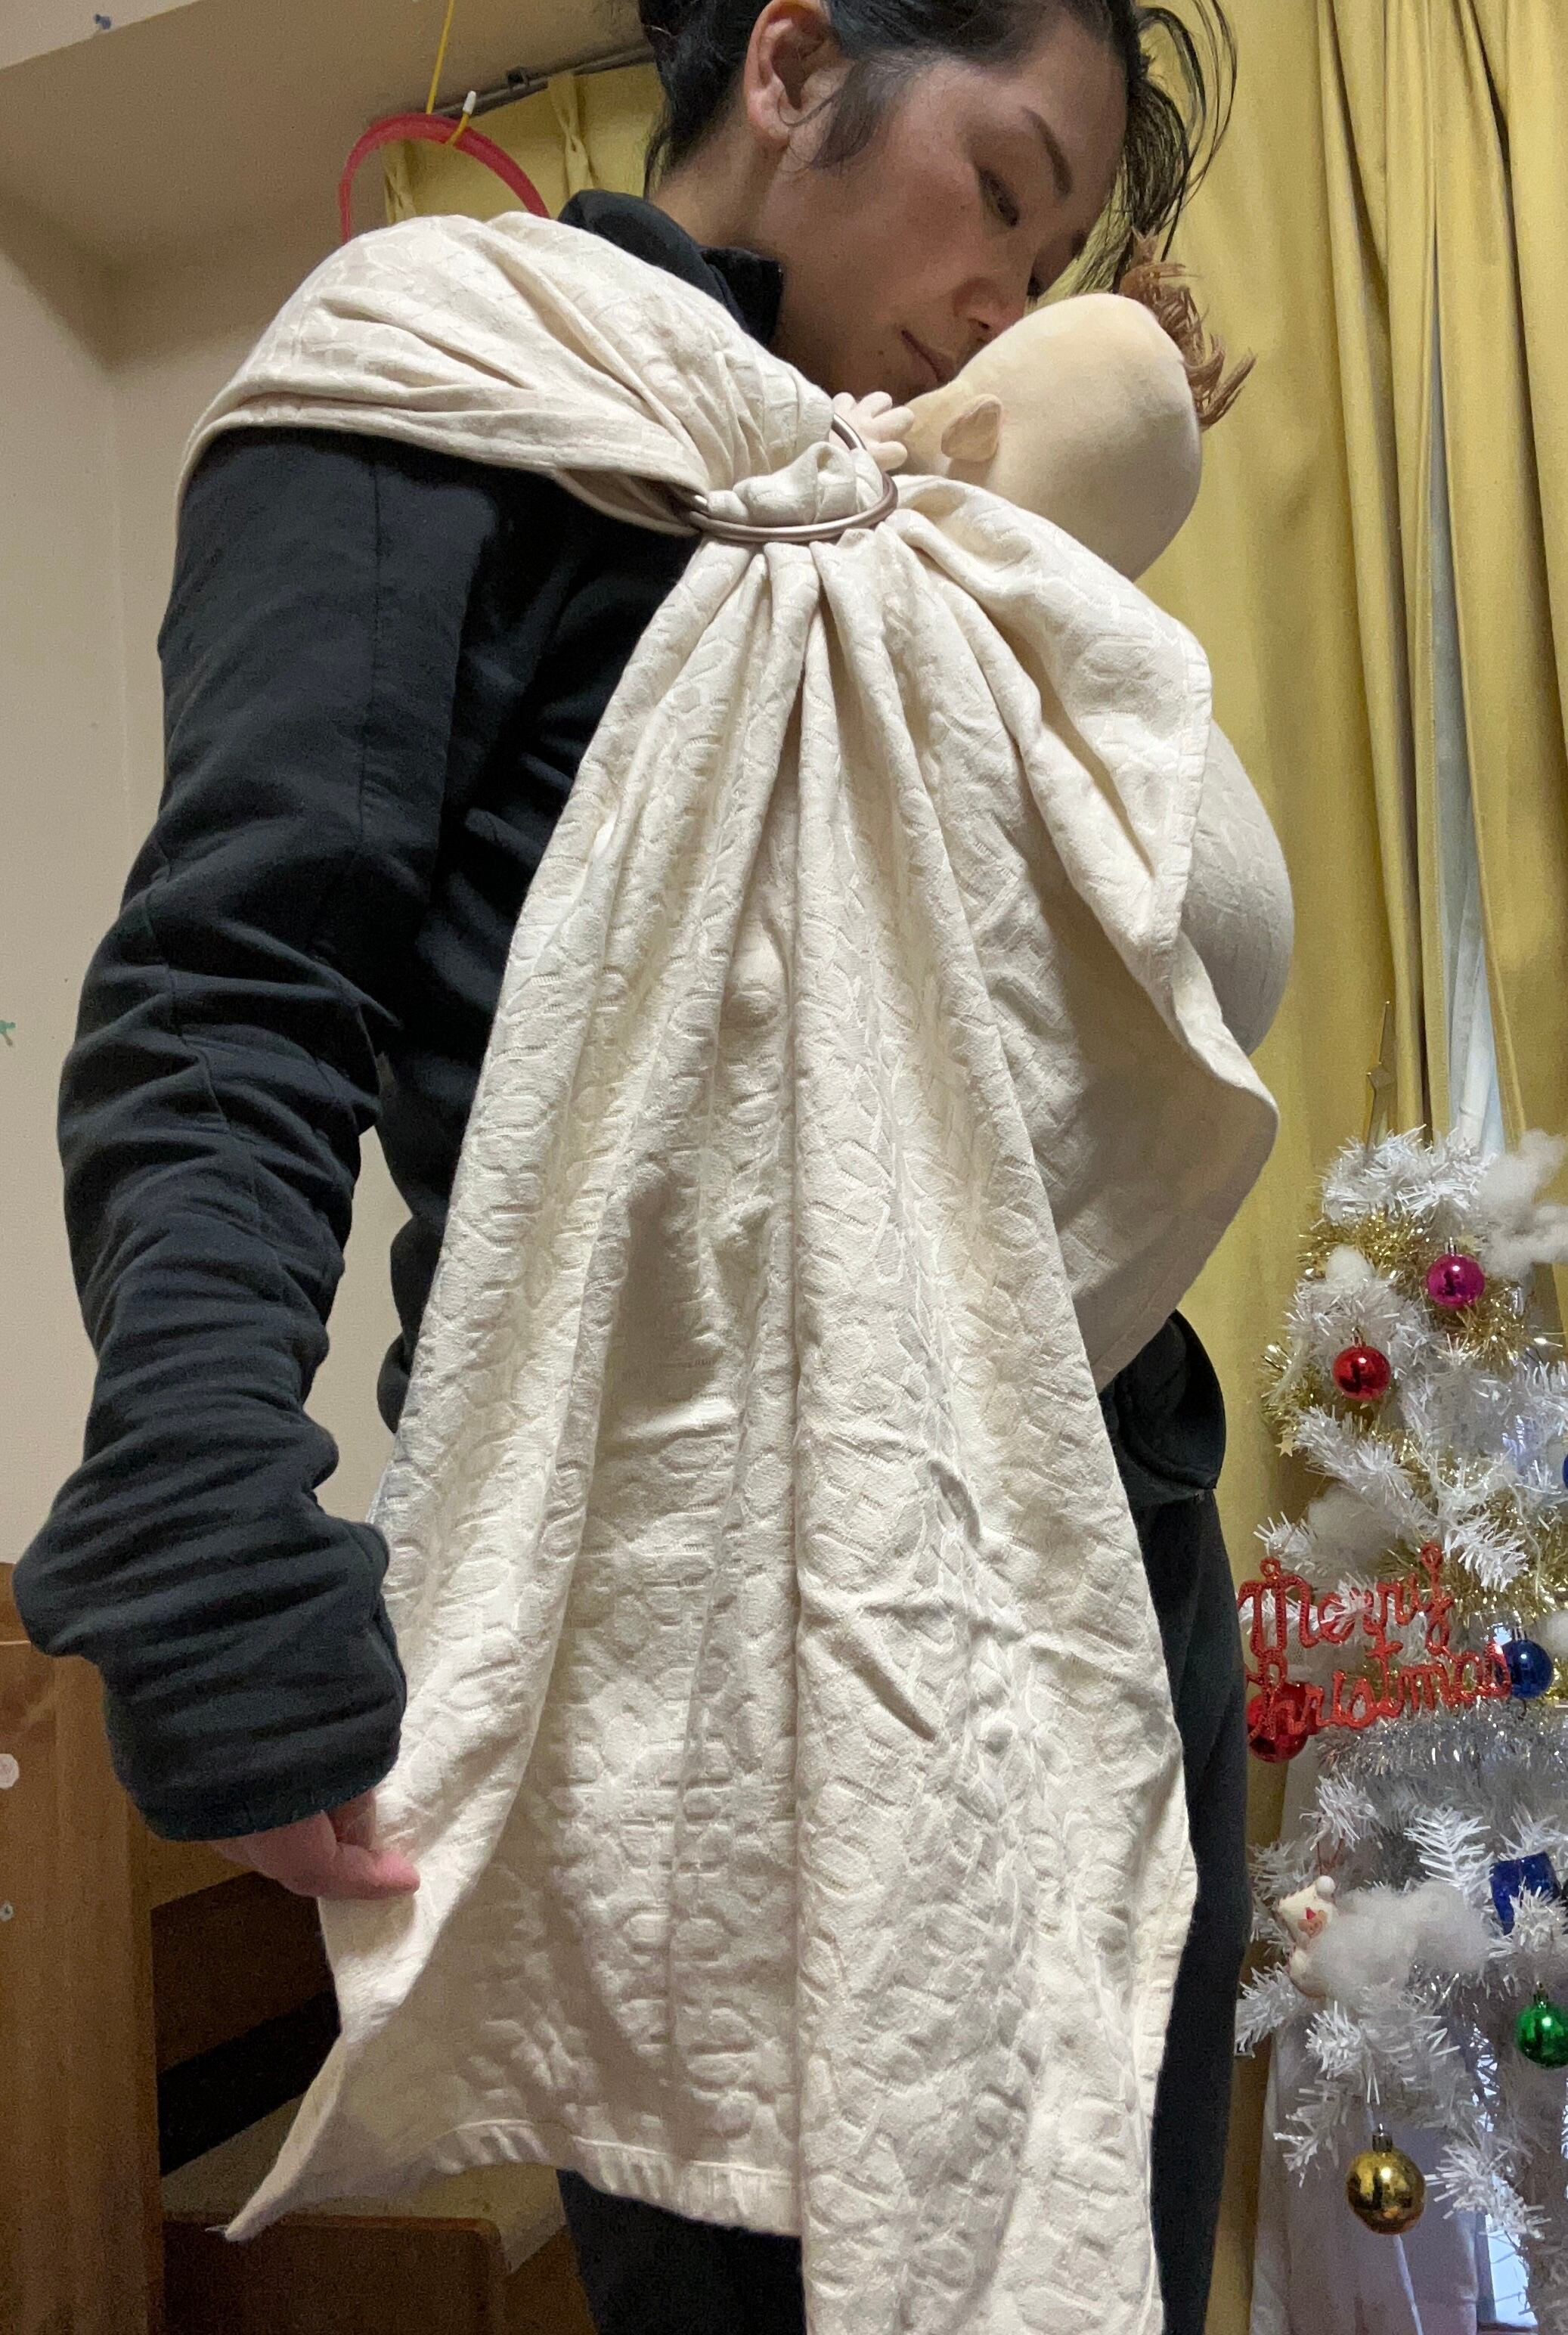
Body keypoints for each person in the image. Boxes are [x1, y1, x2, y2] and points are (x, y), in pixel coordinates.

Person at [16, 2, 1249, 2329]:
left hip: (1105, 1553)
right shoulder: (454, 374)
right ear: (789, 65)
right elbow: (244, 986)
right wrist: (203, 1524)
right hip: (719, 1606)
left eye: (1051, 253)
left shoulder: (892, 518)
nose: (1002, 291)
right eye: (998, 193)